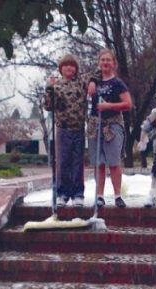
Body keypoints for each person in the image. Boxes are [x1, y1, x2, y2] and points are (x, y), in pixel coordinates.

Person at [43, 54, 98, 207]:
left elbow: (97, 73)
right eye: (65, 65)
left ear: (75, 68)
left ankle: (78, 194)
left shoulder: (81, 82)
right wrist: (49, 88)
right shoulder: (57, 85)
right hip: (63, 129)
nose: (69, 68)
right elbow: (48, 106)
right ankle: (62, 194)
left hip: (79, 129)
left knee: (77, 162)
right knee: (63, 162)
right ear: (61, 68)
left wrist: (92, 82)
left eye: (72, 65)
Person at [88, 48, 133, 208]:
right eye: (102, 60)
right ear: (99, 62)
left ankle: (118, 195)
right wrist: (92, 82)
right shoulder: (93, 80)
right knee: (98, 163)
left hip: (112, 125)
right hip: (95, 124)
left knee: (114, 162)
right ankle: (99, 195)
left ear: (113, 63)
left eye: (108, 60)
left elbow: (128, 104)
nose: (105, 62)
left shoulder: (117, 83)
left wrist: (109, 106)